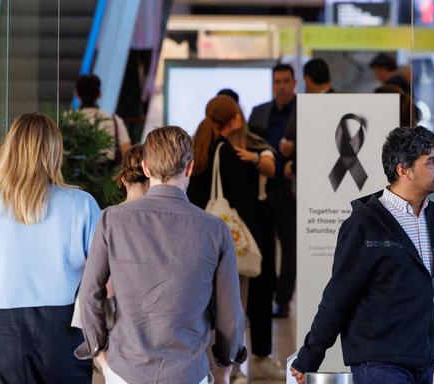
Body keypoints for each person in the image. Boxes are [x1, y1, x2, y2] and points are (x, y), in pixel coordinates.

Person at [291, 126, 434, 384]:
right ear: (404, 170)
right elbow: (338, 297)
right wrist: (309, 358)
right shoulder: (364, 225)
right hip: (379, 362)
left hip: (425, 361)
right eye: (432, 162)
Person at [76, 126, 247, 384]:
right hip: (189, 371)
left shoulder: (112, 220)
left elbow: (89, 293)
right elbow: (230, 314)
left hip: (126, 369)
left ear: (146, 169)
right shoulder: (215, 230)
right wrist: (225, 362)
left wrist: (99, 352)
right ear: (189, 168)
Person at [0, 113, 102, 384]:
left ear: (9, 151)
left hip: (4, 335)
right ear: (54, 152)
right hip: (63, 336)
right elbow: (102, 284)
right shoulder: (82, 205)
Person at [189, 96, 281, 381]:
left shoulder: (196, 149)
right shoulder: (225, 152)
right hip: (233, 241)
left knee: (208, 304)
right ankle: (232, 368)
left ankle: (208, 363)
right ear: (234, 119)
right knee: (235, 305)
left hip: (202, 240)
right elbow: (243, 202)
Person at [248, 64, 299, 320]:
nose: (281, 86)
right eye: (277, 81)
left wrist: (296, 160)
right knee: (263, 246)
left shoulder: (304, 111)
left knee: (289, 247)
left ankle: (284, 299)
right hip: (262, 190)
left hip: (290, 190)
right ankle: (262, 296)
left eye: (286, 81)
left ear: (294, 82)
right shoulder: (259, 113)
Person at [77, 74, 133, 161]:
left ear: (77, 94)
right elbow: (128, 154)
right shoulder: (114, 121)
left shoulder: (68, 121)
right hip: (107, 173)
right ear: (99, 94)